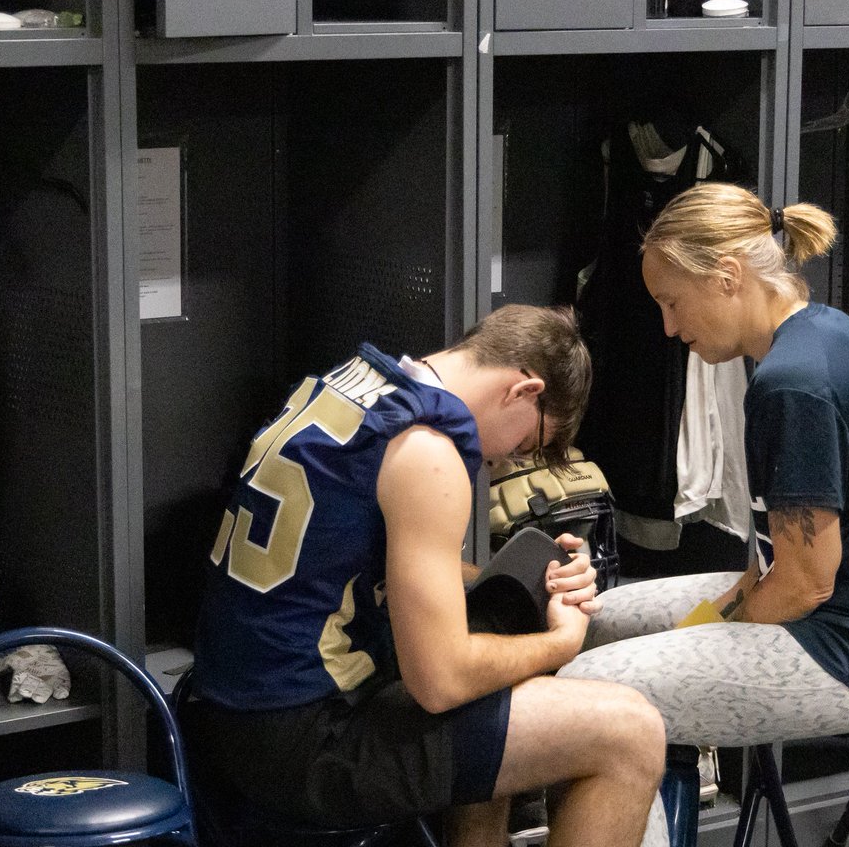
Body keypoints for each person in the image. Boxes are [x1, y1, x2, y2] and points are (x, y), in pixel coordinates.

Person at [191, 304, 666, 847]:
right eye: (526, 444)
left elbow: (356, 565)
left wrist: (528, 579)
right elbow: (441, 683)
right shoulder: (428, 450)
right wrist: (561, 641)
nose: (508, 461)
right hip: (306, 741)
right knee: (631, 732)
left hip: (237, 713)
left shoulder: (350, 387)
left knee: (504, 624)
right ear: (524, 391)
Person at [561, 183, 849, 752]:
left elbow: (804, 585)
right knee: (592, 619)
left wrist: (695, 640)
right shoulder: (817, 331)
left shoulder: (794, 383)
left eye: (672, 302)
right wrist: (693, 634)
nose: (669, 328)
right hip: (826, 617)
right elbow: (773, 564)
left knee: (579, 696)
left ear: (726, 276)